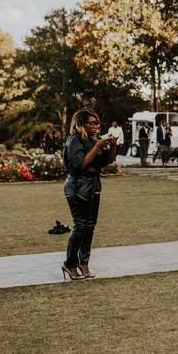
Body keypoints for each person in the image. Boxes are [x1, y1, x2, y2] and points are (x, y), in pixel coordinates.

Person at [60, 108, 119, 280]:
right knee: (80, 225)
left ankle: (83, 263)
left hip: (93, 186)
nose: (95, 126)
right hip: (77, 186)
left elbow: (105, 162)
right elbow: (80, 165)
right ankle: (70, 263)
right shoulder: (74, 141)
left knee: (90, 226)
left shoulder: (93, 141)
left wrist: (112, 146)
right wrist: (98, 146)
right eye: (91, 123)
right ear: (81, 124)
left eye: (96, 123)